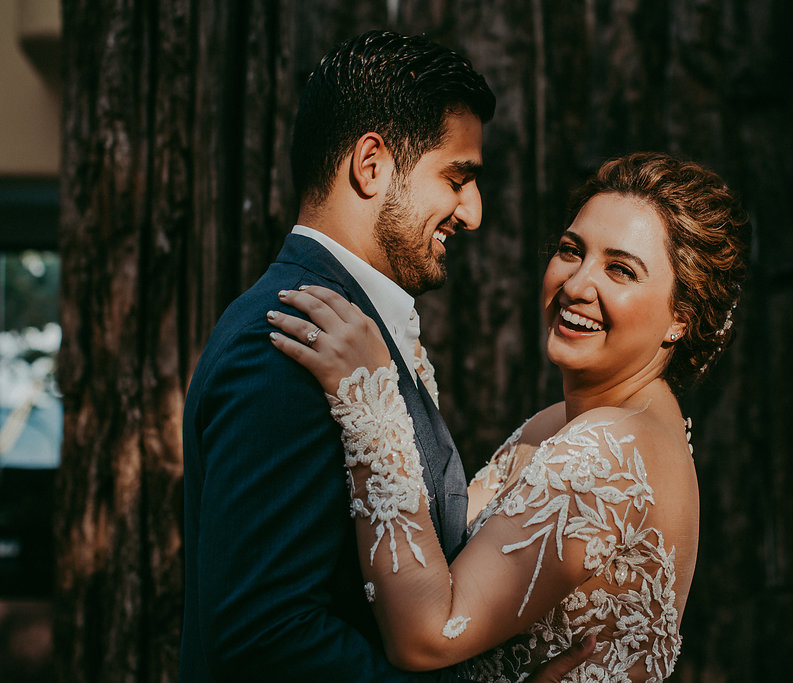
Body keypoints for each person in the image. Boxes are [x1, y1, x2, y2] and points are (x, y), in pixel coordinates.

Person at [180, 30, 589, 682]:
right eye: (458, 177)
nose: (473, 212)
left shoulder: (343, 335)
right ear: (371, 165)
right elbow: (263, 633)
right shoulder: (285, 346)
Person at [267, 151, 750, 681]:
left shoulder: (613, 448)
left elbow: (427, 635)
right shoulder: (558, 425)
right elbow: (443, 551)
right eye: (571, 251)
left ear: (680, 317)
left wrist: (369, 402)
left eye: (620, 269)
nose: (576, 285)